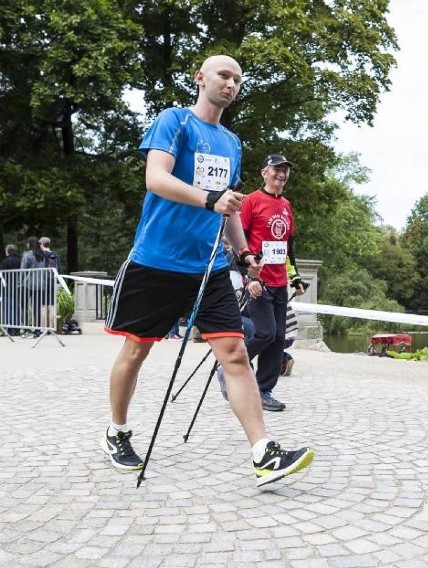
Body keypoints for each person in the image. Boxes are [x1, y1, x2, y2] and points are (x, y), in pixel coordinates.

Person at [101, 54, 313, 487]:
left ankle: (263, 453)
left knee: (234, 353)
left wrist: (244, 255)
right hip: (157, 261)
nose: (231, 83)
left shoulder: (232, 143)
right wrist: (210, 198)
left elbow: (229, 207)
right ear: (200, 77)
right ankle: (117, 432)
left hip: (209, 267)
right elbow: (156, 179)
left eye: (237, 78)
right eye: (223, 75)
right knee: (136, 351)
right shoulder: (174, 122)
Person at [236, 154, 307, 411]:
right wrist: (247, 277)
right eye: (277, 169)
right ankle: (231, 365)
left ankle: (263, 390)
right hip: (258, 280)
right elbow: (237, 242)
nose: (282, 174)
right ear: (264, 172)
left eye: (285, 170)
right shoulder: (251, 201)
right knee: (265, 333)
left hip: (279, 282)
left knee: (278, 338)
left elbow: (288, 246)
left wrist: (295, 277)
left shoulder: (286, 205)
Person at [20, 236, 47, 335]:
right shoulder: (42, 255)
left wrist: (19, 282)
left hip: (28, 284)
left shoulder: (27, 254)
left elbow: (23, 270)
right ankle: (38, 329)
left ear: (30, 244)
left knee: (25, 306)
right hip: (40, 284)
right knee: (37, 307)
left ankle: (27, 328)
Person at [0, 244, 22, 335]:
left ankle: (10, 329)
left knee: (8, 309)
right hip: (18, 288)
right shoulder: (20, 261)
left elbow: (1, 275)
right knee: (17, 309)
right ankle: (17, 329)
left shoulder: (5, 261)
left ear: (8, 251)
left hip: (7, 288)